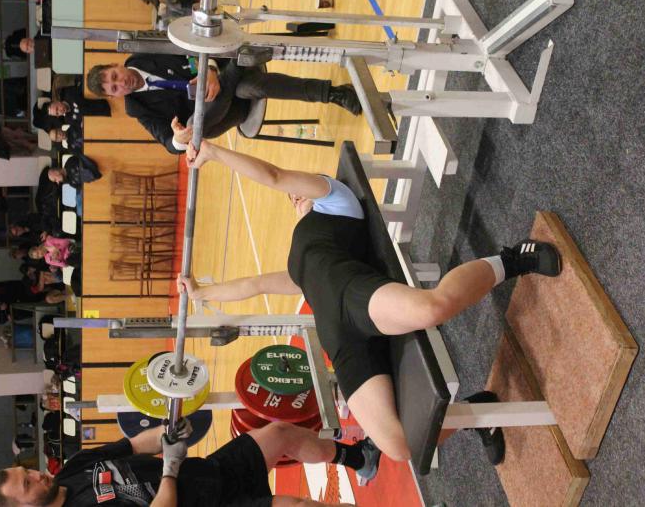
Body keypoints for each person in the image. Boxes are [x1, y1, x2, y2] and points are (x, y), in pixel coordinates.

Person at [177, 140, 563, 463]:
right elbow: (255, 285)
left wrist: (212, 152)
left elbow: (274, 176)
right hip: (341, 343)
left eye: (298, 190)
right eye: (292, 196)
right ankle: (478, 409)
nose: (294, 195)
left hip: (358, 298)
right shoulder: (299, 265)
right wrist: (200, 293)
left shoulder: (334, 199)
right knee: (398, 446)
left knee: (432, 308)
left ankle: (514, 259)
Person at [0, 418, 376, 507]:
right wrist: (169, 467)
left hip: (207, 472)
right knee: (300, 506)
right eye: (27, 484)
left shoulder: (72, 469)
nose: (36, 475)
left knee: (280, 434)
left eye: (27, 470)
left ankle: (358, 457)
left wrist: (167, 432)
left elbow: (131, 446)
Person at [86, 54, 362, 154]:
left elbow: (191, 45)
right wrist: (179, 139)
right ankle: (236, 70)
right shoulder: (136, 108)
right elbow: (168, 143)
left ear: (115, 65)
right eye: (114, 88)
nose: (121, 83)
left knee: (252, 88)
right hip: (222, 113)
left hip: (222, 74)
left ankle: (334, 93)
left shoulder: (144, 54)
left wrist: (210, 70)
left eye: (115, 76)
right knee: (194, 126)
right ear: (115, 97)